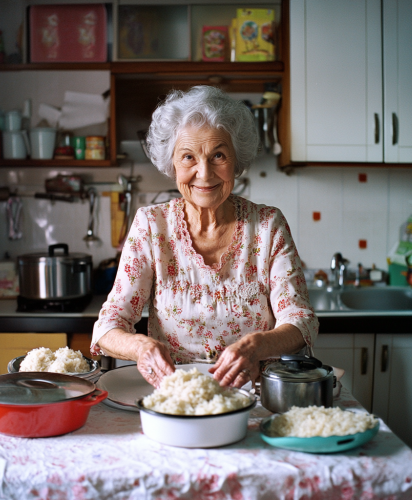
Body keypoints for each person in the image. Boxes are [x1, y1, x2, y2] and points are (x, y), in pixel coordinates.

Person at [91, 86, 318, 388]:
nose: (204, 173)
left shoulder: (267, 225)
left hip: (257, 398)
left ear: (237, 161)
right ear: (172, 164)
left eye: (218, 155)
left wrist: (256, 347)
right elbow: (109, 325)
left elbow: (300, 320)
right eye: (188, 157)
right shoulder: (151, 226)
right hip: (179, 400)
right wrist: (141, 347)